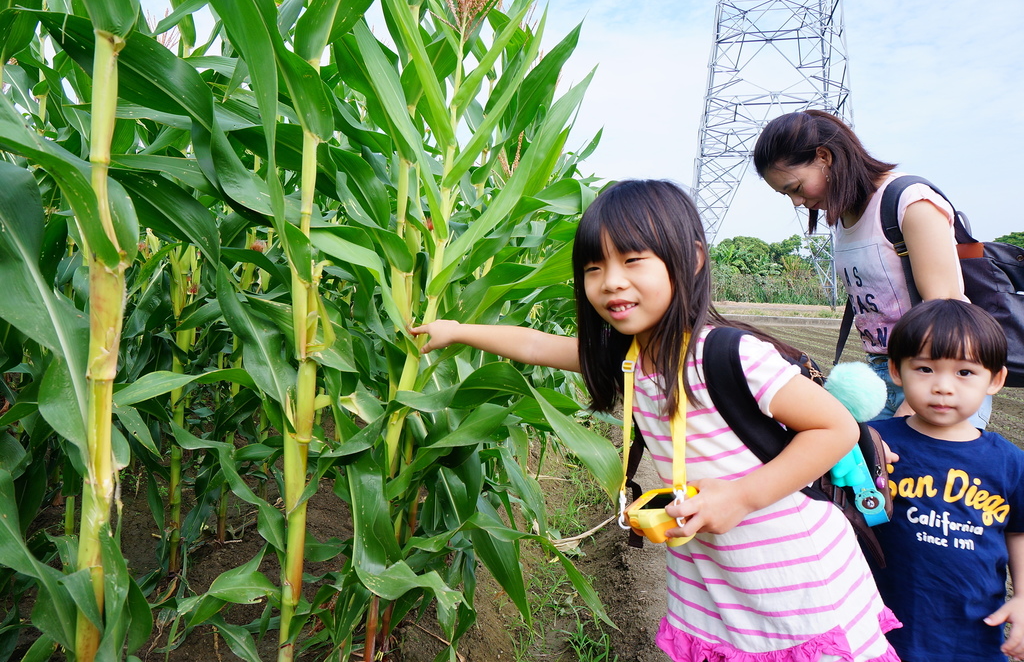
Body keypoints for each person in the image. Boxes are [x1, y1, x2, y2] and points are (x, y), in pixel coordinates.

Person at [412, 179, 899, 661]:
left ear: (691, 259)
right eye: (593, 267)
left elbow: (836, 427)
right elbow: (537, 345)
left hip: (791, 577)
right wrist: (457, 331)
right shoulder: (628, 358)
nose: (611, 281)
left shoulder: (727, 354)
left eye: (631, 260)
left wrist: (742, 495)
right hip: (712, 575)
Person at [751, 109, 992, 429]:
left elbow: (947, 305)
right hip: (881, 375)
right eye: (786, 194)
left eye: (795, 187)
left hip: (936, 374)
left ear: (824, 157)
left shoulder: (909, 201)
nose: (796, 202)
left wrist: (918, 400)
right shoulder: (844, 218)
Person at [866, 299, 1024, 661]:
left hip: (972, 634)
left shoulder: (1010, 463)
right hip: (881, 625)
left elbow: (1019, 530)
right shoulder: (873, 442)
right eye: (924, 369)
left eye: (964, 373)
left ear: (996, 379)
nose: (942, 387)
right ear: (896, 371)